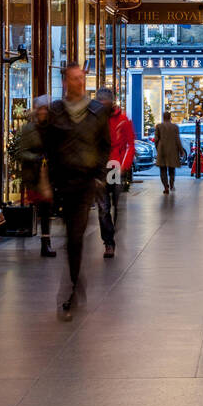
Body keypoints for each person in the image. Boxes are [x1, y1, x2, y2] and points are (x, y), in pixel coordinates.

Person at [43, 64, 111, 320]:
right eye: (74, 79)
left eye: (81, 78)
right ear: (65, 82)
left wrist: (99, 176)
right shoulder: (56, 112)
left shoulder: (96, 112)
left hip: (85, 183)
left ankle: (69, 289)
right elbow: (48, 147)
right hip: (62, 183)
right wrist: (47, 181)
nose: (79, 83)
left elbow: (105, 145)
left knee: (75, 236)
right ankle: (74, 277)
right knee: (71, 236)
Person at [12, 95, 55, 258]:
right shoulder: (29, 129)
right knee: (43, 208)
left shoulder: (51, 128)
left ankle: (46, 243)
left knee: (46, 209)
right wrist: (36, 158)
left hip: (48, 174)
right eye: (41, 108)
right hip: (35, 174)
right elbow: (21, 152)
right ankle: (45, 244)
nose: (43, 111)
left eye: (46, 108)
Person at [94, 87, 133, 258]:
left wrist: (123, 165)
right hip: (101, 167)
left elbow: (129, 144)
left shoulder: (122, 119)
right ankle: (108, 241)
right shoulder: (94, 120)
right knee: (103, 207)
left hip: (114, 165)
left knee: (115, 202)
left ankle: (112, 232)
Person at [153, 110, 184, 194]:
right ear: (170, 117)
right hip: (172, 151)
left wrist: (157, 148)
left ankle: (165, 186)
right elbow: (178, 140)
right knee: (172, 169)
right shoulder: (175, 127)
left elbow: (156, 139)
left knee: (163, 170)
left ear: (163, 117)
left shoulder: (159, 126)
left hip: (162, 150)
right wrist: (181, 150)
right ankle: (171, 183)